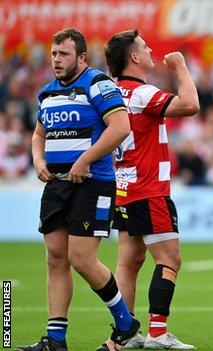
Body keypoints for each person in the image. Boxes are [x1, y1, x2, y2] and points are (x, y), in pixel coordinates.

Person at [17, 28, 139, 351]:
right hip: (57, 186)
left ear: (82, 57)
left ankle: (125, 323)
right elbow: (38, 134)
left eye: (64, 54)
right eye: (54, 54)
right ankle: (56, 339)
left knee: (82, 259)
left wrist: (85, 159)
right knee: (56, 259)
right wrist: (38, 158)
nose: (56, 60)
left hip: (92, 183)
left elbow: (121, 127)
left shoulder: (97, 84)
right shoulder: (47, 93)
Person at [103, 29, 200, 349]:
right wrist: (181, 68)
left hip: (124, 188)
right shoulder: (140, 93)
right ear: (133, 58)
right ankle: (158, 333)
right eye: (144, 48)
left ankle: (124, 333)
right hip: (149, 189)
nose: (150, 52)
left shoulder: (111, 94)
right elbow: (190, 104)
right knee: (170, 259)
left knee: (128, 262)